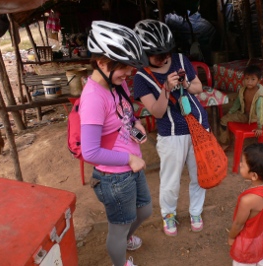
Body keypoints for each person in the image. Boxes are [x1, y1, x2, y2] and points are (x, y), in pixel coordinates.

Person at [80, 21, 152, 266]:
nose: (128, 74)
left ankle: (126, 237)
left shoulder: (116, 82)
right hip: (114, 177)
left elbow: (124, 115)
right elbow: (89, 151)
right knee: (118, 229)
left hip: (131, 166)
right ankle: (119, 262)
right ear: (101, 62)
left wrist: (136, 123)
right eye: (123, 68)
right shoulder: (93, 98)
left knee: (145, 211)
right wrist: (129, 158)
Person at [133, 19, 209, 237]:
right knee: (170, 180)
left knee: (198, 174)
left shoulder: (181, 60)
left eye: (167, 52)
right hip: (171, 133)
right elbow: (156, 112)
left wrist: (184, 84)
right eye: (157, 54)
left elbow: (198, 87)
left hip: (199, 125)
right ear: (143, 53)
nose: (165, 58)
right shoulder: (141, 77)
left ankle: (196, 211)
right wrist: (166, 89)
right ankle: (169, 214)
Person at [228, 143, 263, 266]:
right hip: (262, 237)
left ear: (254, 175)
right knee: (262, 259)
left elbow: (238, 224)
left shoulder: (248, 200)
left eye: (243, 163)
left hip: (248, 242)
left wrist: (231, 237)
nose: (240, 164)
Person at [219, 65, 263, 146]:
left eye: (253, 79)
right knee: (223, 120)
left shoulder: (260, 95)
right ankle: (225, 141)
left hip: (254, 119)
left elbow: (260, 110)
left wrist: (259, 127)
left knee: (224, 120)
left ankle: (224, 143)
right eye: (247, 79)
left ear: (258, 81)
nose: (249, 82)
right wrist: (230, 112)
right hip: (243, 115)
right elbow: (237, 103)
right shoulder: (243, 90)